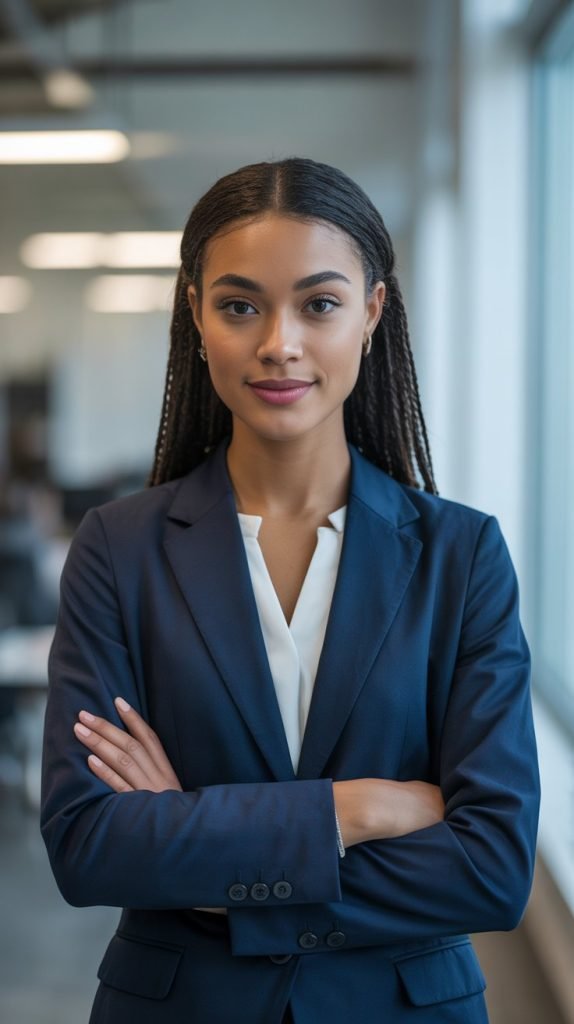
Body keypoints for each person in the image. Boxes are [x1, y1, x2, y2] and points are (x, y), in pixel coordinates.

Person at [40, 157, 540, 1024]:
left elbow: (491, 867)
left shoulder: (463, 554)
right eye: (240, 305)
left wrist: (202, 855)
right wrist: (360, 808)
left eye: (319, 303)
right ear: (196, 314)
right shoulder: (118, 549)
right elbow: (90, 845)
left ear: (373, 311)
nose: (279, 342)